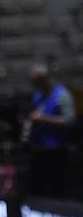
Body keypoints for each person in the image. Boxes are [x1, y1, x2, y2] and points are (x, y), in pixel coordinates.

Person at [24, 64, 77, 198]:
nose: (35, 85)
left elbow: (69, 120)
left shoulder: (62, 95)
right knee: (41, 188)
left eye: (37, 82)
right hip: (39, 148)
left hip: (57, 150)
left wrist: (44, 119)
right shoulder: (38, 96)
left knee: (58, 188)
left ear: (45, 79)